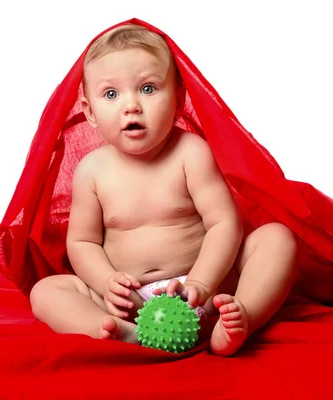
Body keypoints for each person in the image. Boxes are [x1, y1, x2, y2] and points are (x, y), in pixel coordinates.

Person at [29, 24, 298, 356]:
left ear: (179, 98)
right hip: (130, 300)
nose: (132, 106)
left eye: (148, 88)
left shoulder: (191, 153)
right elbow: (82, 242)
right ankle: (116, 331)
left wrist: (201, 283)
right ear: (89, 112)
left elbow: (223, 224)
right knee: (45, 292)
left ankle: (240, 316)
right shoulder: (91, 171)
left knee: (276, 238)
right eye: (111, 94)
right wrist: (107, 283)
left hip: (205, 290)